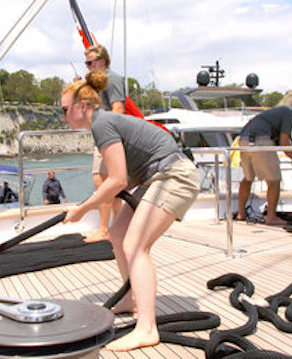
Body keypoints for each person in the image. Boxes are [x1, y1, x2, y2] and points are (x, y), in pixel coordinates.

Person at [61, 71, 200, 351]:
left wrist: (82, 209)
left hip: (174, 176)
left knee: (135, 245)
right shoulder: (102, 124)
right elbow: (123, 176)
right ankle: (131, 298)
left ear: (83, 106)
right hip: (156, 177)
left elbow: (118, 181)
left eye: (64, 109)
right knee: (118, 233)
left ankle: (147, 328)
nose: (62, 115)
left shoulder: (102, 124)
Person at [236, 90, 292, 225]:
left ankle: (241, 214)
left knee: (248, 178)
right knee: (274, 180)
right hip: (261, 140)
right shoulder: (289, 113)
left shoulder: (278, 111)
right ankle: (271, 217)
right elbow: (284, 141)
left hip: (244, 138)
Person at [83, 44, 125, 243]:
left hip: (108, 136)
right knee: (108, 185)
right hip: (101, 135)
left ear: (102, 61)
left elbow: (118, 108)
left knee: (103, 183)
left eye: (90, 63)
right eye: (87, 63)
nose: (88, 66)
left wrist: (108, 131)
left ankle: (104, 229)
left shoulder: (112, 79)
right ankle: (118, 227)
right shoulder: (97, 83)